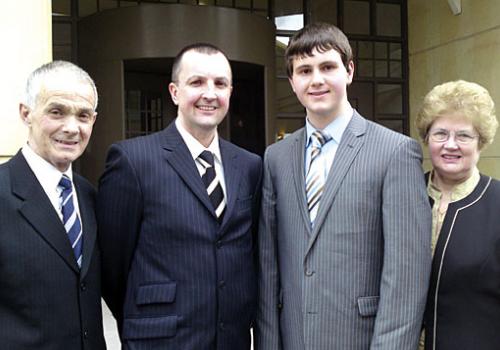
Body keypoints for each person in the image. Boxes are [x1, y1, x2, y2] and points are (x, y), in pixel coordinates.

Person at [255, 22, 432, 350]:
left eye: (327, 66)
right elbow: (268, 268)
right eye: (304, 70)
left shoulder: (395, 152)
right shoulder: (275, 158)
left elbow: (407, 277)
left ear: (349, 70)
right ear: (292, 82)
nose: (316, 79)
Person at [97, 43, 262, 349]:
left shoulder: (250, 166)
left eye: (220, 84)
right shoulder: (132, 160)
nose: (209, 93)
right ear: (174, 92)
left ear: (230, 92)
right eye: (197, 82)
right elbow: (112, 266)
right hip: (161, 339)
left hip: (231, 339)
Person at [0, 61, 105, 349]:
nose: (71, 128)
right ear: (26, 113)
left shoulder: (90, 196)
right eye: (56, 112)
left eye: (83, 115)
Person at [415, 80, 500, 350]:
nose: (450, 145)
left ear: (481, 142)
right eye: (440, 134)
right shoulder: (402, 193)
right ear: (427, 138)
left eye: (464, 136)